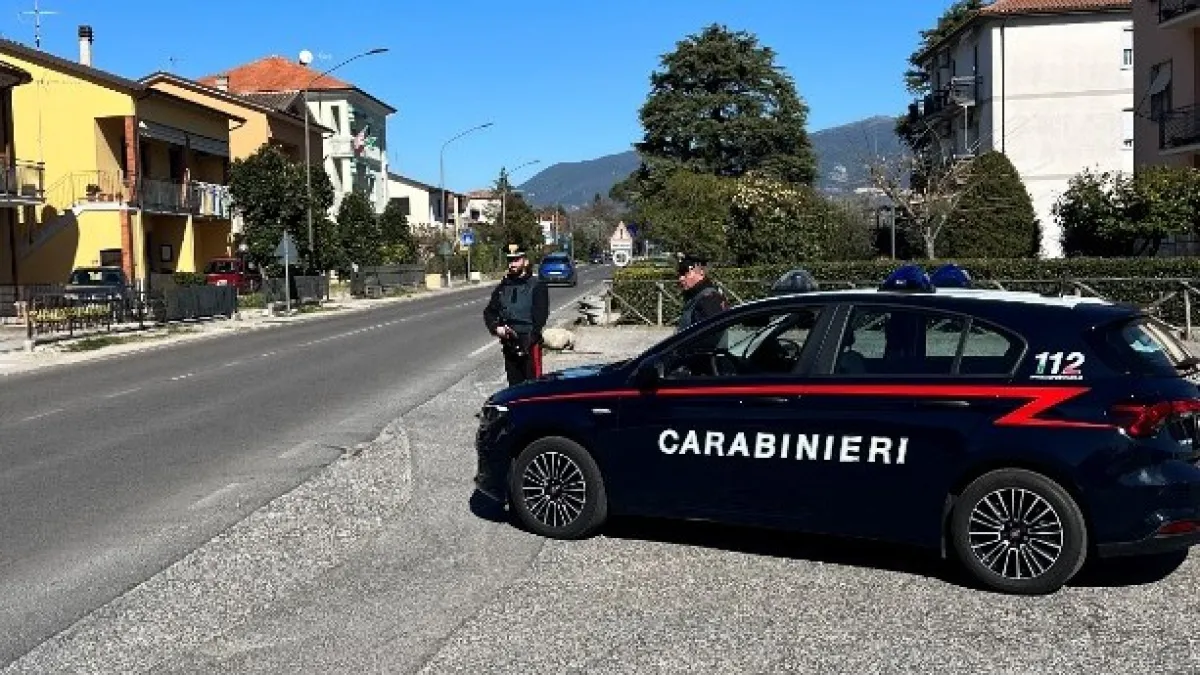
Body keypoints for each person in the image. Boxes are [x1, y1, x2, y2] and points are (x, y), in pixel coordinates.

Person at [484, 243, 550, 386]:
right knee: (514, 389)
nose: (512, 264)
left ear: (525, 261)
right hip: (509, 344)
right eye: (510, 260)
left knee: (533, 387)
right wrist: (496, 328)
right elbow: (489, 311)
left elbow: (540, 317)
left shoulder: (537, 285)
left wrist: (528, 341)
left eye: (516, 260)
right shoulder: (503, 287)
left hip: (529, 344)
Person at [676, 253, 727, 332]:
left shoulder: (709, 299)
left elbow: (708, 336)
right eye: (679, 274)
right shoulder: (696, 296)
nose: (681, 278)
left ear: (701, 272)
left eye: (685, 273)